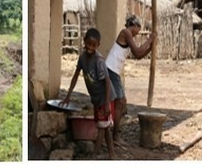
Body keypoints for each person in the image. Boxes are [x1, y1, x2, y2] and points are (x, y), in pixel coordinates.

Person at [62, 28, 115, 159]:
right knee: (105, 126)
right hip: (97, 99)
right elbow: (75, 76)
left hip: (105, 97)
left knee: (102, 127)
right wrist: (68, 96)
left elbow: (107, 82)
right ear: (84, 41)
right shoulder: (82, 58)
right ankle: (112, 154)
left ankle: (94, 155)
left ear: (98, 46)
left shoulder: (99, 61)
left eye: (93, 45)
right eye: (88, 44)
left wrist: (107, 104)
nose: (90, 47)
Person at [105, 14, 155, 146]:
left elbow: (138, 56)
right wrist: (150, 40)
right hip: (111, 69)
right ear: (135, 26)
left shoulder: (128, 35)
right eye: (138, 30)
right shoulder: (126, 32)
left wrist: (150, 48)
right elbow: (138, 52)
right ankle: (115, 135)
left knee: (121, 102)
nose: (138, 34)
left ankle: (114, 133)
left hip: (114, 71)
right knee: (120, 102)